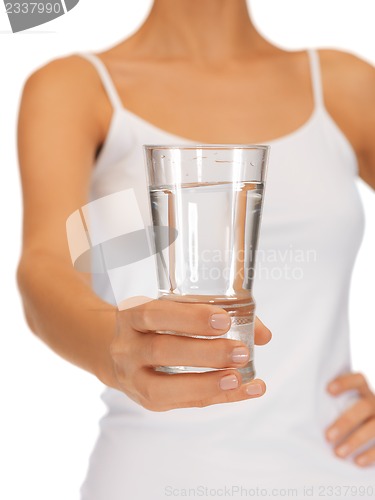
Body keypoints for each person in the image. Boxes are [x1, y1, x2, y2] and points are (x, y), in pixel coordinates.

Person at [17, 0, 375, 498]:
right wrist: (117, 350)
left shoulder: (346, 85)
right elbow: (44, 269)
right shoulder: (78, 88)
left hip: (338, 475)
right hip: (153, 478)